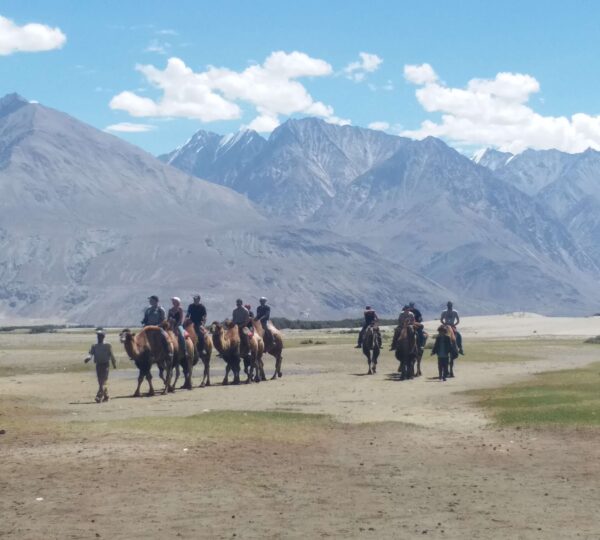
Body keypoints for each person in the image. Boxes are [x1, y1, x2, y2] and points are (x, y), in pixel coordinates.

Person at [84, 329, 117, 403]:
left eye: (101, 336)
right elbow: (90, 353)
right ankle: (106, 396)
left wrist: (114, 363)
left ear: (104, 336)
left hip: (106, 365)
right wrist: (88, 358)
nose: (99, 337)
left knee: (103, 381)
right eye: (98, 336)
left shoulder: (108, 345)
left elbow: (112, 355)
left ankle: (98, 396)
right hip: (98, 365)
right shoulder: (94, 345)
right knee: (100, 382)